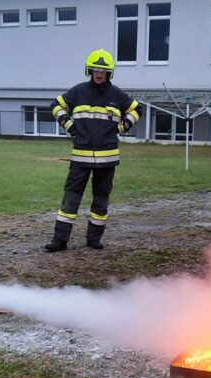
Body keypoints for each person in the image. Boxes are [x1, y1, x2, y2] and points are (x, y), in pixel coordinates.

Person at [45, 48, 140, 252]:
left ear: (109, 73)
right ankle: (59, 241)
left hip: (107, 159)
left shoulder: (117, 95)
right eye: (96, 69)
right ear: (90, 70)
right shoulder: (78, 91)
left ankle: (94, 239)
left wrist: (122, 127)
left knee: (101, 199)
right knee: (71, 198)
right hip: (81, 157)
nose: (99, 74)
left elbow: (137, 109)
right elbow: (56, 105)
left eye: (103, 70)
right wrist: (69, 126)